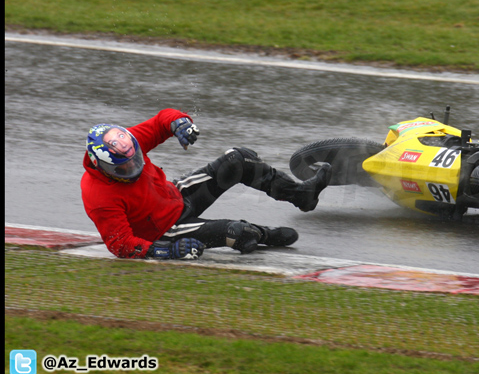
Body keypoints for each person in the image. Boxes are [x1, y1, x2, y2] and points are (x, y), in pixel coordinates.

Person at [81, 108, 331, 260]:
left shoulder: (130, 144)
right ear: (100, 164)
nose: (133, 167)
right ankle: (263, 234)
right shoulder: (98, 196)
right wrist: (166, 252)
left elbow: (161, 120)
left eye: (135, 158)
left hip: (175, 195)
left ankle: (302, 194)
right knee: (236, 232)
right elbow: (120, 244)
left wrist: (180, 123)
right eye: (122, 168)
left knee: (238, 159)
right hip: (163, 231)